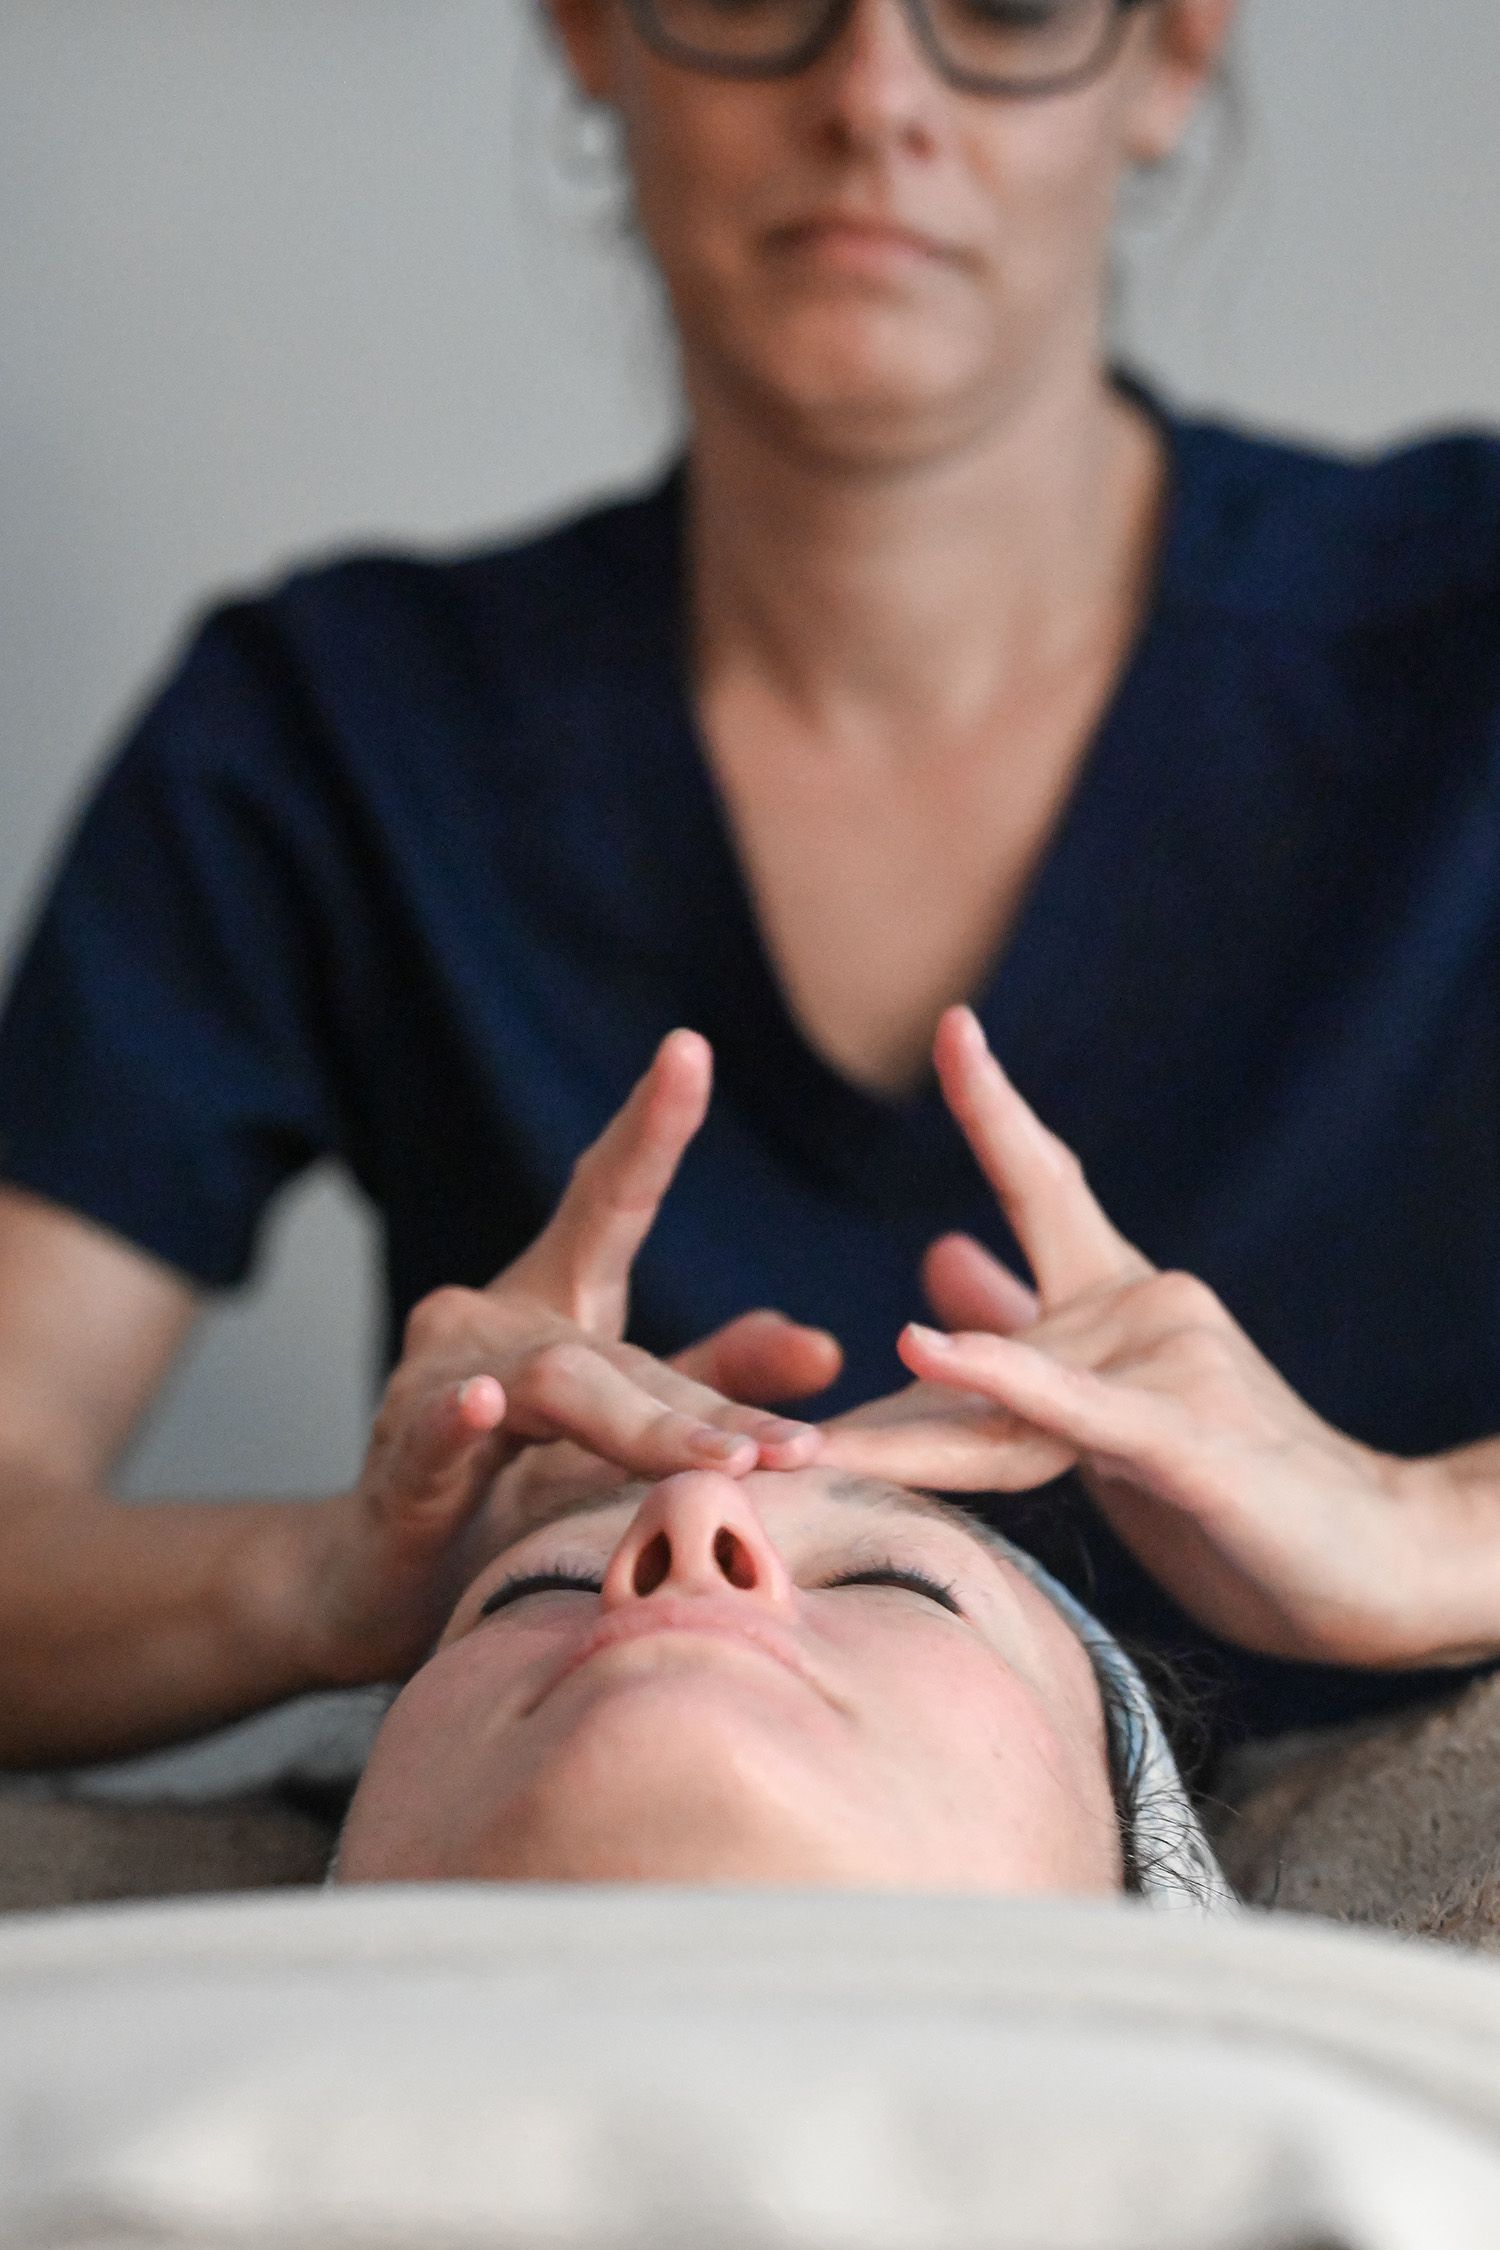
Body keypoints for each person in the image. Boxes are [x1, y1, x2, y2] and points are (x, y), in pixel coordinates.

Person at [1, 0, 1498, 1773]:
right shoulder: (329, 729)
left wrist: (1415, 1529)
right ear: (587, 30)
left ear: (1169, 53)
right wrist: (336, 1576)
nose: (875, 96)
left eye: (1006, 5)